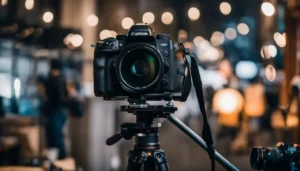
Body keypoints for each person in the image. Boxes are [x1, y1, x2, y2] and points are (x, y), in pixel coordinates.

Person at [44, 59, 68, 159]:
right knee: (57, 136)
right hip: (60, 111)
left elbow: (59, 98)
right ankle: (60, 159)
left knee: (55, 137)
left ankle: (60, 159)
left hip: (56, 111)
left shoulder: (55, 79)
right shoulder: (62, 78)